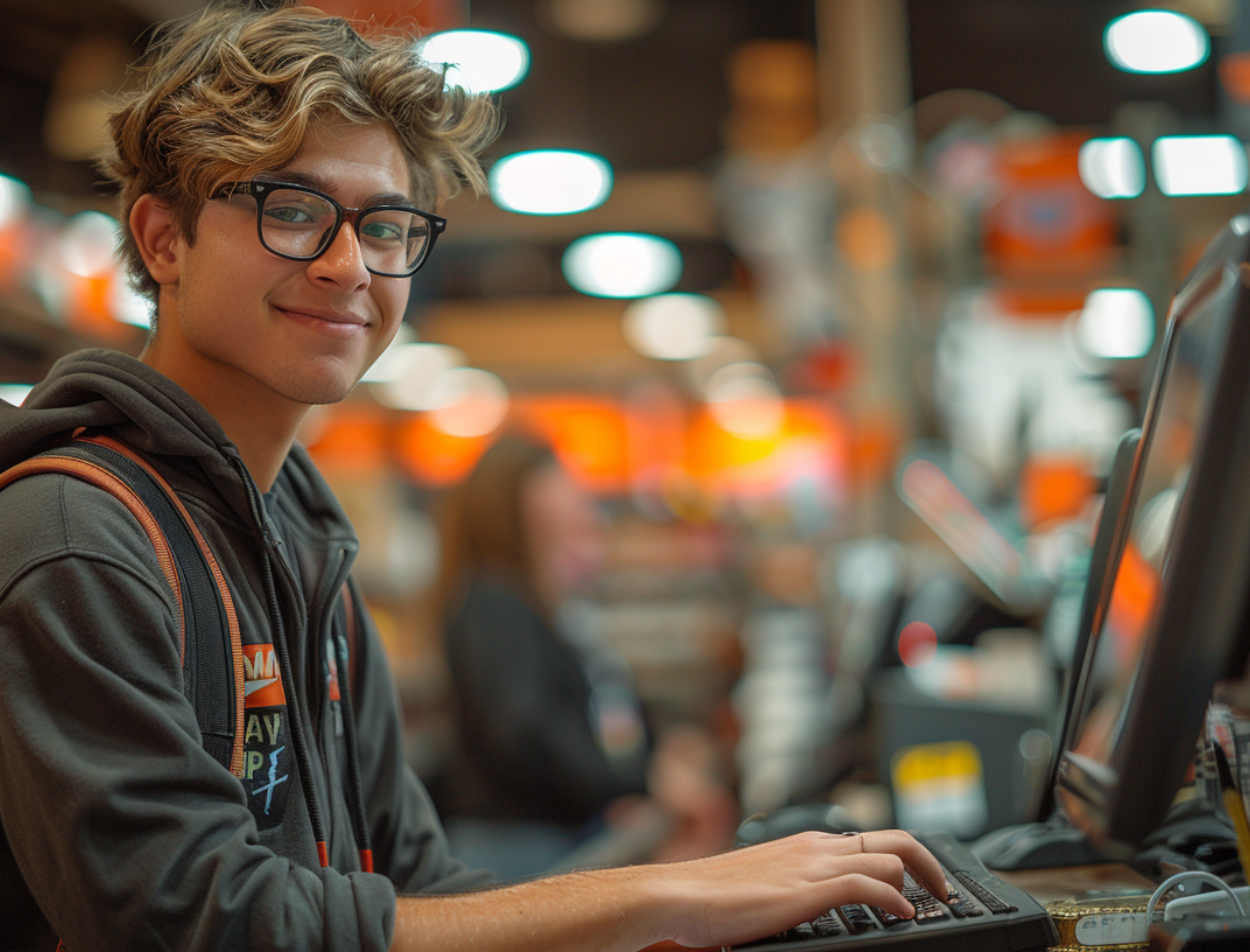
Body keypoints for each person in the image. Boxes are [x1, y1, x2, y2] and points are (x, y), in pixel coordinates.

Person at [0, 4, 948, 951]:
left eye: (385, 225)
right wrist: (666, 897)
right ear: (163, 240)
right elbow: (191, 922)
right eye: (292, 211)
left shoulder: (298, 534)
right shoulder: (77, 535)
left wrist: (688, 911)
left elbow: (415, 877)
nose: (348, 265)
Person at [433, 437, 738, 878]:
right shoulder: (492, 603)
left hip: (544, 837)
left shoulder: (534, 605)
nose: (576, 503)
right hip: (518, 847)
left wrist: (651, 758)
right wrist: (637, 784)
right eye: (558, 487)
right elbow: (526, 736)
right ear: (518, 503)